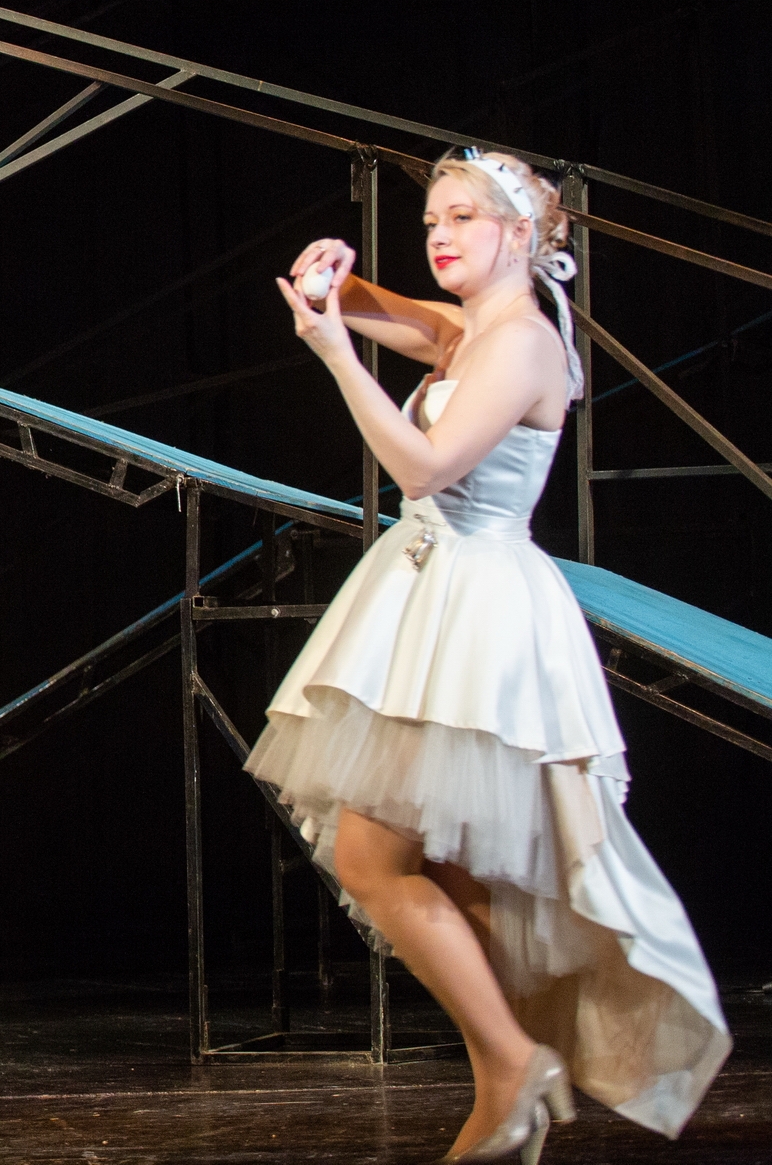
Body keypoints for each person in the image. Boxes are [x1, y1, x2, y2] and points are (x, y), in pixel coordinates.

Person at [250, 149, 727, 1162]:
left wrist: (335, 353)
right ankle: (506, 1079)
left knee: (372, 856)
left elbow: (422, 464)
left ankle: (514, 1063)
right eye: (431, 218)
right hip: (433, 597)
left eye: (463, 217)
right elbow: (389, 312)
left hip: (479, 612)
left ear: (519, 234)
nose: (439, 233)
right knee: (455, 876)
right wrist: (332, 282)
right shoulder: (469, 327)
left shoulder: (521, 345)